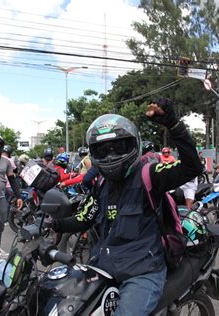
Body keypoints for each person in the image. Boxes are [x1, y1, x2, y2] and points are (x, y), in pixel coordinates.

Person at [45, 98, 203, 315]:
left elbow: (192, 167)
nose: (110, 156)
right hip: (103, 264)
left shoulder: (150, 175)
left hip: (142, 271)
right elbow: (85, 217)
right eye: (102, 150)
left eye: (118, 147)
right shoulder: (101, 183)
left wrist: (174, 125)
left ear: (133, 144)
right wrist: (54, 224)